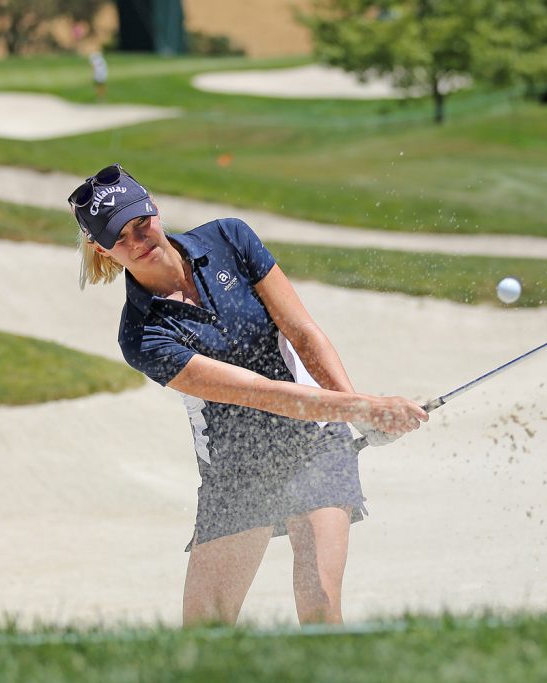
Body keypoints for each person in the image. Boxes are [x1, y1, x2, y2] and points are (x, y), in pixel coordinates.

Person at [68, 164, 428, 626]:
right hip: (237, 473)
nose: (141, 239)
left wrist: (353, 412)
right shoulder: (142, 335)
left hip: (314, 443)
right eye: (122, 238)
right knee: (206, 631)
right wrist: (366, 407)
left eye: (143, 222)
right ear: (101, 249)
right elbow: (259, 393)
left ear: (154, 206)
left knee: (319, 602)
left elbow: (302, 331)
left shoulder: (228, 239)